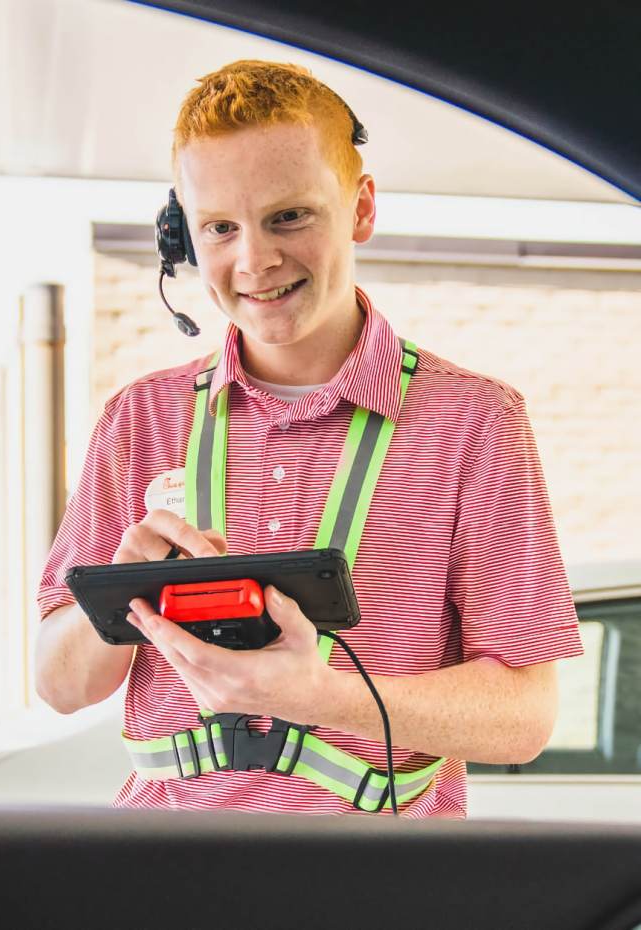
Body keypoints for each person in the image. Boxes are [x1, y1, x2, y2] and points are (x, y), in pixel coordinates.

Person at [35, 59, 583, 818]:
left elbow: (526, 716)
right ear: (183, 236)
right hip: (160, 884)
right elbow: (59, 684)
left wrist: (322, 697)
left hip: (376, 891)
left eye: (289, 216)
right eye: (219, 228)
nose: (254, 261)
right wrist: (123, 596)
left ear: (360, 208)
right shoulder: (140, 418)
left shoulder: (475, 423)